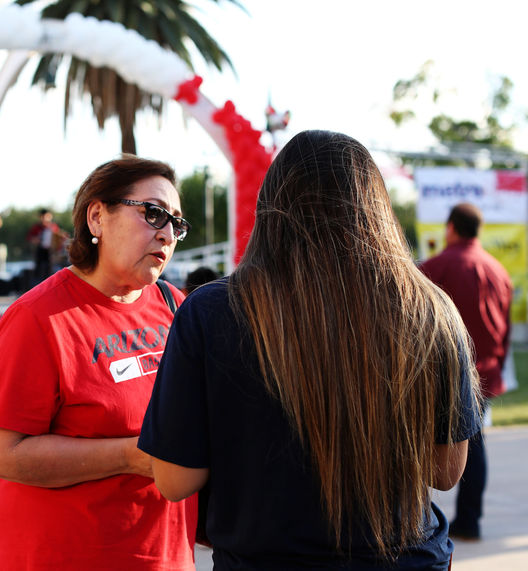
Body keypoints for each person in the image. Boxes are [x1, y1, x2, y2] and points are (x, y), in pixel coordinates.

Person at [138, 130, 482, 569]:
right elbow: (446, 471)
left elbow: (173, 479)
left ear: (271, 208)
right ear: (376, 208)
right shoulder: (429, 308)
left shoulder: (210, 311)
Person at [0, 155, 197, 570]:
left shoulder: (175, 306)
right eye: (153, 214)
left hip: (163, 556)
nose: (166, 233)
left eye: (176, 224)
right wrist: (132, 457)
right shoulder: (39, 316)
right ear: (97, 217)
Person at [420, 202, 512, 542]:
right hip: (486, 372)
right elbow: (504, 329)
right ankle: (470, 519)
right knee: (473, 444)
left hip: (443, 375)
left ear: (451, 228)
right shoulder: (498, 269)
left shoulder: (438, 265)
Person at [26, 208, 62, 284]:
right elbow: (30, 238)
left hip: (50, 251)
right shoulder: (37, 228)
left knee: (50, 270)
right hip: (40, 250)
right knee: (39, 270)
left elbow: (58, 239)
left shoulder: (53, 227)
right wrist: (35, 240)